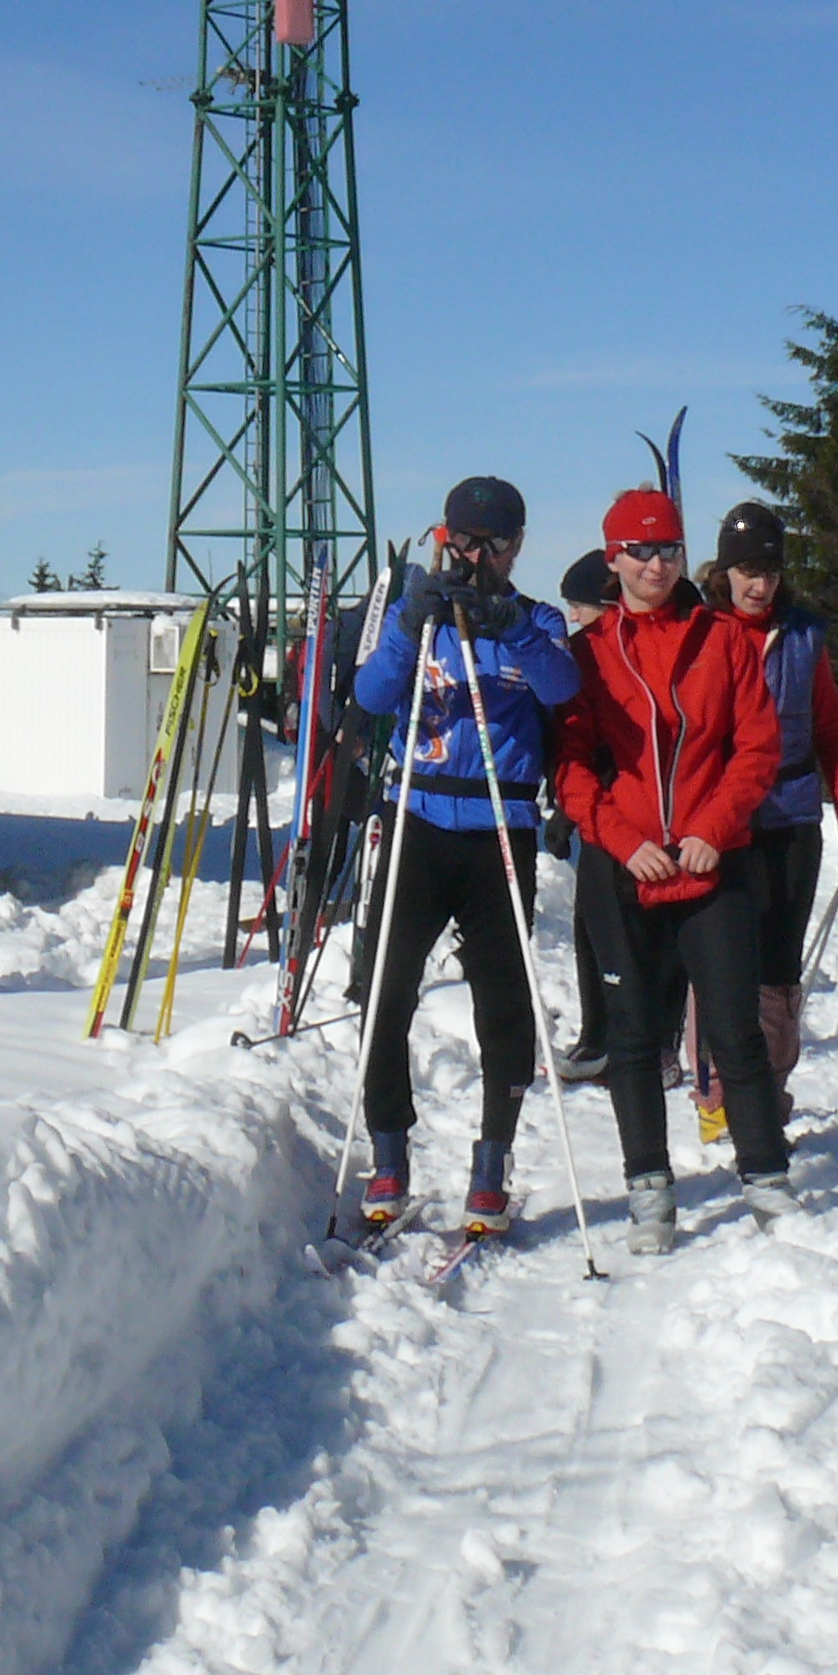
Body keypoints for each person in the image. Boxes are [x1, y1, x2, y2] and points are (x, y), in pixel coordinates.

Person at [553, 486, 788, 1256]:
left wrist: (713, 829)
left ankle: (766, 1177)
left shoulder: (722, 639)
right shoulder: (589, 653)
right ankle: (648, 1189)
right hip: (625, 868)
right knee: (630, 1035)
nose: (655, 567)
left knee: (733, 1029)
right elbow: (572, 768)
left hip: (711, 862)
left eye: (668, 551)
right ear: (613, 557)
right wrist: (623, 841)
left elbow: (756, 748)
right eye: (640, 552)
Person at [348, 477, 580, 1236]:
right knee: (384, 989)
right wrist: (407, 627)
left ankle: (492, 1160)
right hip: (418, 819)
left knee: (503, 1003)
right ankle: (388, 1149)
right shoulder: (417, 616)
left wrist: (512, 629)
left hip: (498, 826)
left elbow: (561, 686)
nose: (476, 557)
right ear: (443, 539)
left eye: (493, 544)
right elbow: (372, 696)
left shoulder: (537, 619)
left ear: (516, 547)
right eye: (463, 542)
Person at [702, 502, 838, 1139]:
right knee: (721, 965)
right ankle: (718, 1091)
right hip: (721, 820)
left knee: (777, 969)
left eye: (770, 571)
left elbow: (831, 731)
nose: (760, 584)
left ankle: (767, 1096)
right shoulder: (702, 630)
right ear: (725, 571)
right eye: (748, 570)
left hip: (791, 818)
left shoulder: (802, 637)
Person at [549, 548, 622, 1085]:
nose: (573, 616)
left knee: (613, 930)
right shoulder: (582, 653)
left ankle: (624, 1039)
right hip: (592, 809)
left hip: (624, 812)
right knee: (589, 925)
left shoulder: (614, 654)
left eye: (581, 605)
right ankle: (598, 1033)